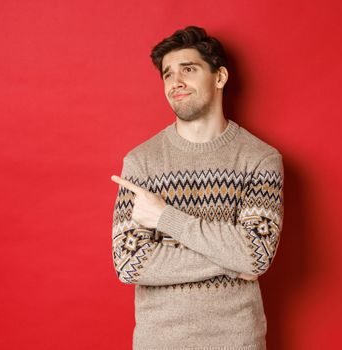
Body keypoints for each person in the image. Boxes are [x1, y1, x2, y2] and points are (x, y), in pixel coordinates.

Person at [111, 25, 284, 350]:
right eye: (167, 74)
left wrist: (165, 217)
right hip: (158, 342)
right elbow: (129, 262)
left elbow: (256, 255)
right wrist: (234, 260)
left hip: (237, 342)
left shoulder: (260, 159)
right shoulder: (140, 162)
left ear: (219, 77)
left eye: (188, 70)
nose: (175, 82)